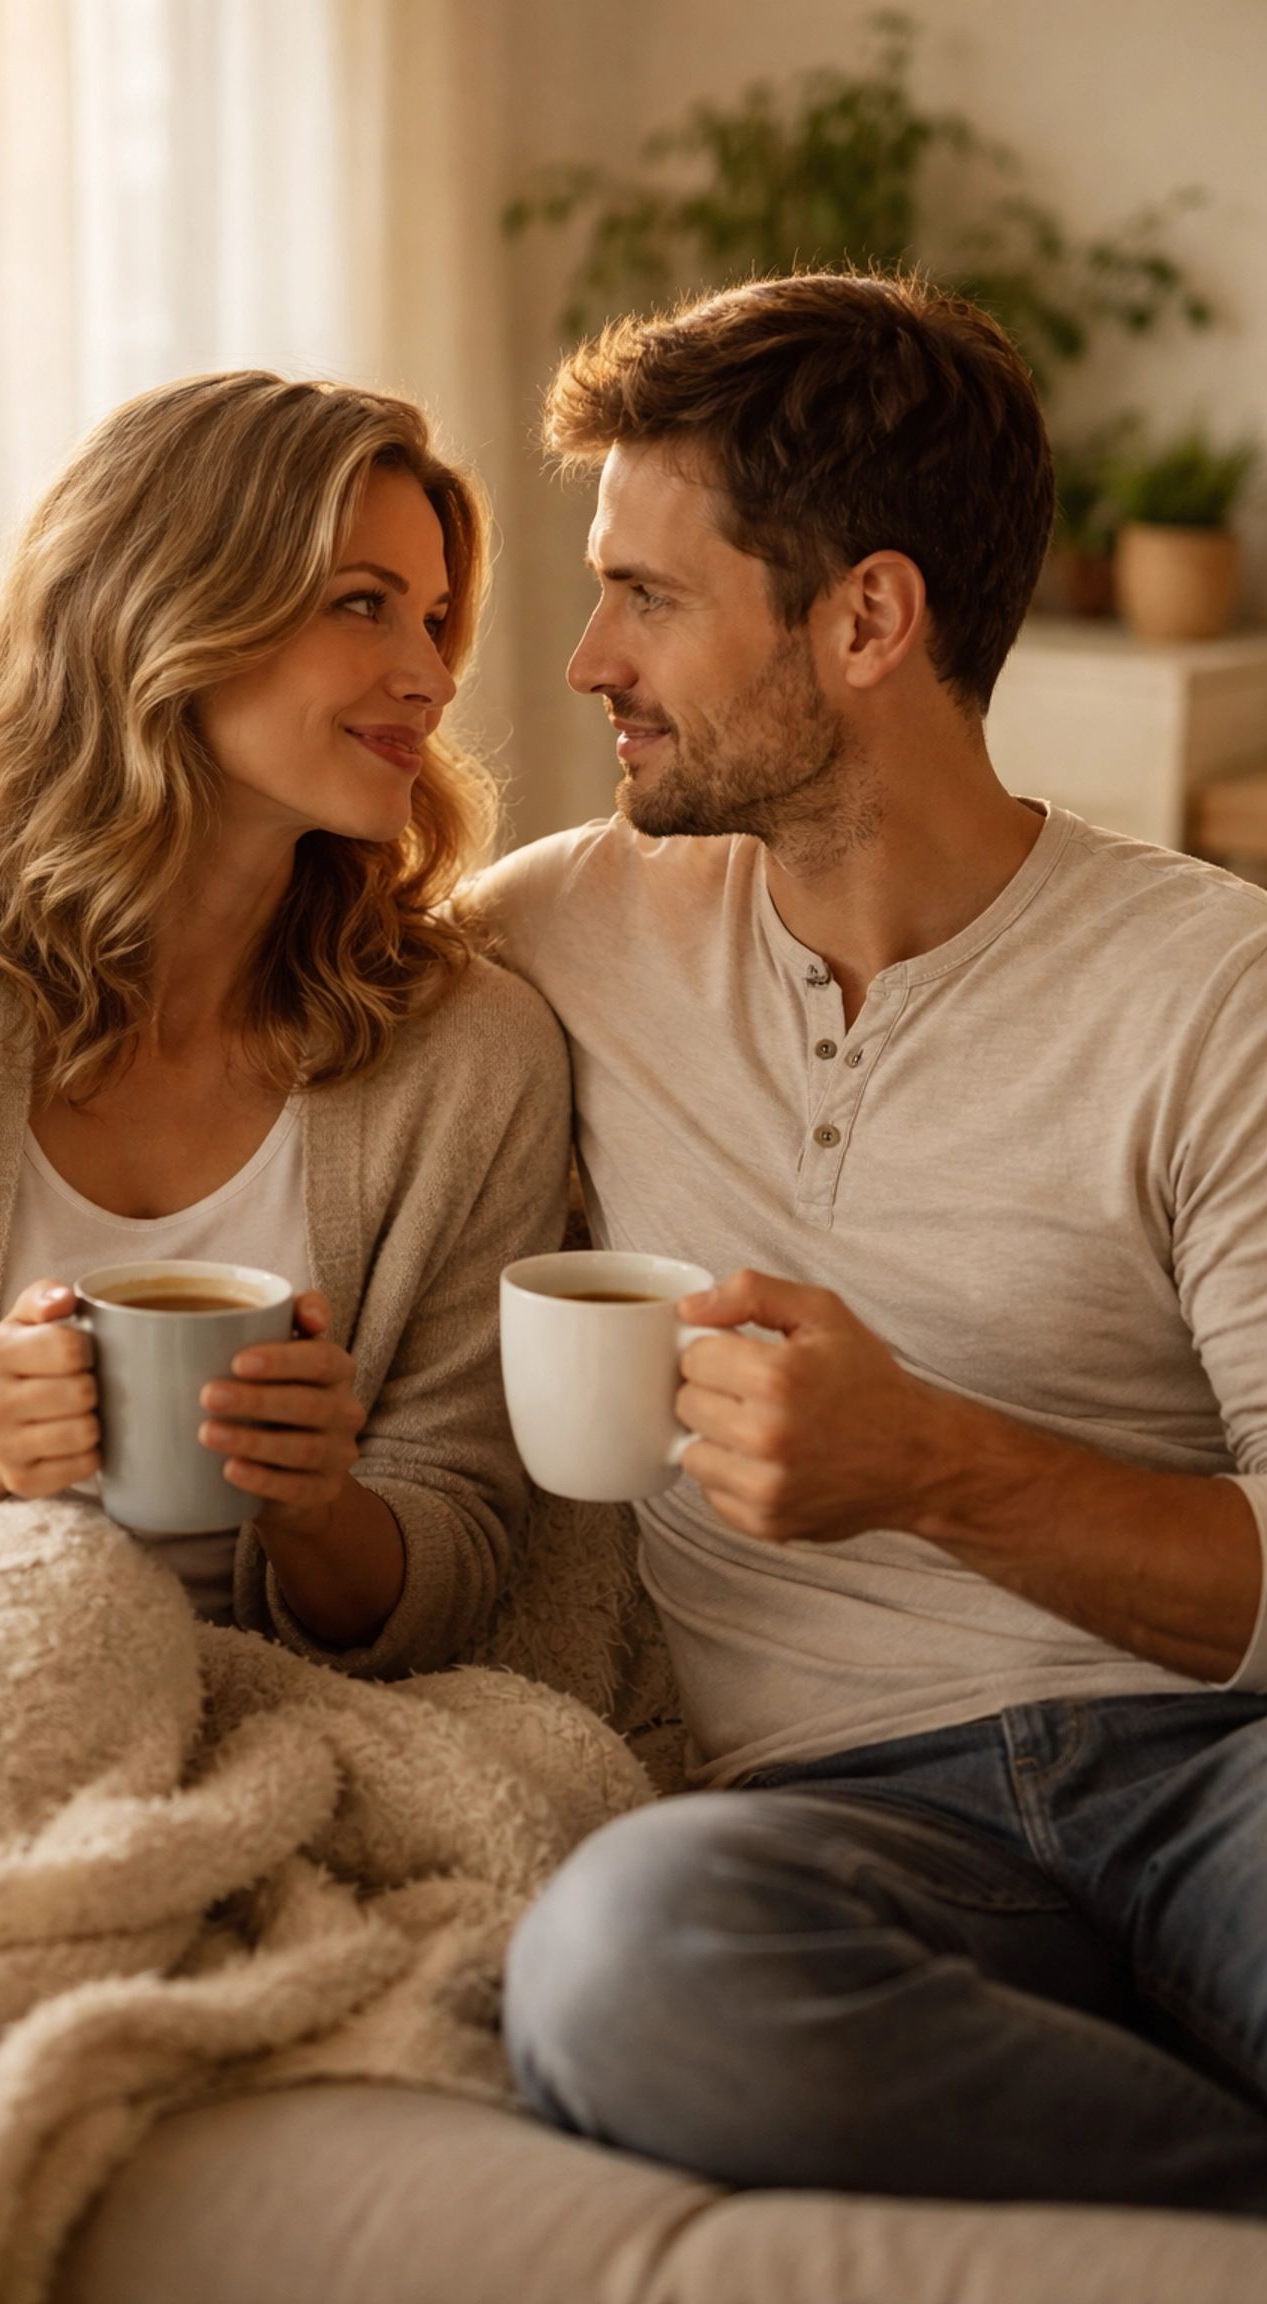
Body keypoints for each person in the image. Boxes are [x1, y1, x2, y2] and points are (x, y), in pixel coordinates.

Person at [481, 272, 1267, 2212]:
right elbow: (211, 934)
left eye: (648, 596)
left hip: (1221, 1768)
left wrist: (933, 1465)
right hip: (825, 1830)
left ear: (867, 619)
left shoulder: (1212, 994)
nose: (587, 658)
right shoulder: (565, 928)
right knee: (623, 1974)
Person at [0, 372, 569, 1673]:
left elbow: (455, 1562)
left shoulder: (470, 1058)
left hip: (280, 1714)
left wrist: (315, 1504)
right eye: (364, 605)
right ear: (171, 612)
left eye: (438, 619)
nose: (429, 676)